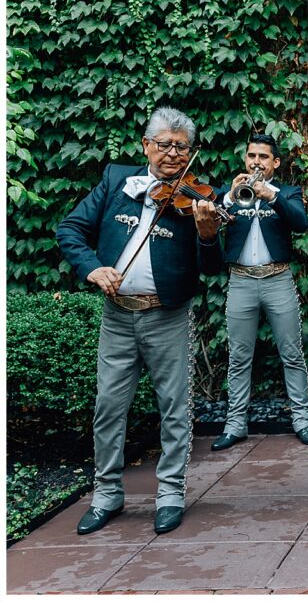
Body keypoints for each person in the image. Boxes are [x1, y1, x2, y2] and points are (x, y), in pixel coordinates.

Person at [56, 106, 224, 536]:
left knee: (174, 407)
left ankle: (170, 494)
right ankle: (107, 494)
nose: (172, 154)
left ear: (190, 152)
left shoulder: (200, 198)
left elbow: (211, 268)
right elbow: (70, 230)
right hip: (117, 316)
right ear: (146, 145)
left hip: (167, 315)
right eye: (164, 144)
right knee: (109, 407)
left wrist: (207, 234)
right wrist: (93, 268)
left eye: (180, 147)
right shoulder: (117, 181)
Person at [209, 133, 308, 451]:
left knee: (292, 354)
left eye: (262, 157)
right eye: (251, 156)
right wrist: (229, 197)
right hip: (241, 281)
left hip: (278, 279)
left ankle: (302, 420)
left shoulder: (287, 192)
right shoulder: (230, 193)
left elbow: (299, 223)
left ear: (275, 162)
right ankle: (235, 425)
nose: (256, 162)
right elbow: (208, 216)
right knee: (239, 357)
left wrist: (270, 195)